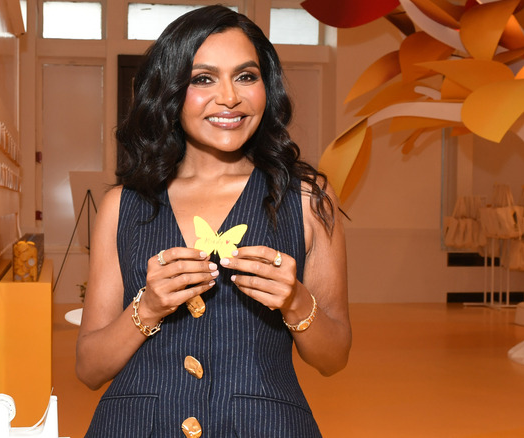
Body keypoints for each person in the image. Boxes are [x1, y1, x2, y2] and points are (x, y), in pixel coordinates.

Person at [76, 5, 351, 437]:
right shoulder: (122, 205)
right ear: (170, 91)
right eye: (203, 79)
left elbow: (334, 358)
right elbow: (89, 368)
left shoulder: (306, 199)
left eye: (246, 76)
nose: (230, 97)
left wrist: (295, 300)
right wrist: (147, 307)